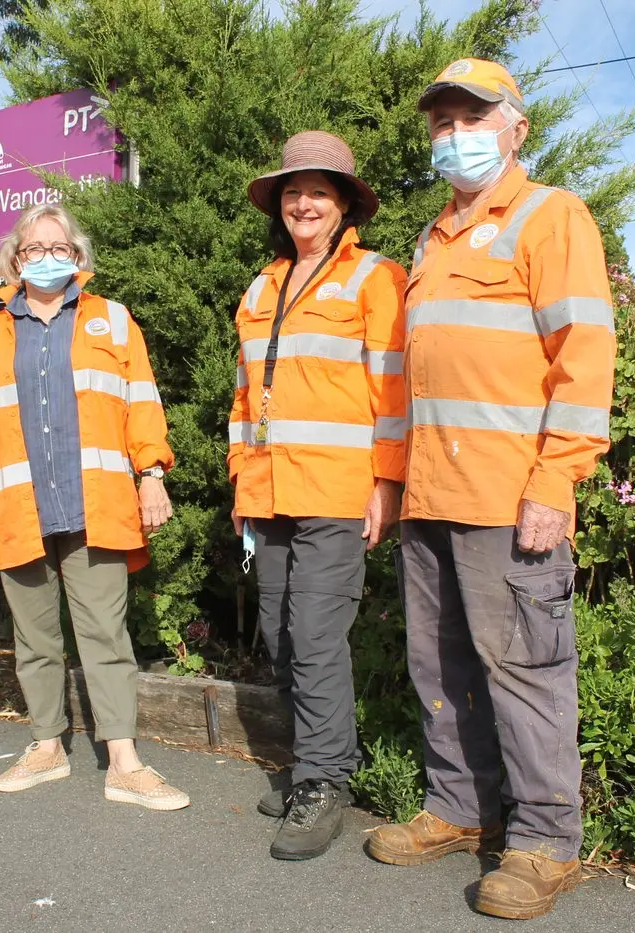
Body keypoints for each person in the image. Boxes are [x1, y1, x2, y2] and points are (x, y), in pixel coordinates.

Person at [363, 60, 616, 920]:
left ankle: (545, 842)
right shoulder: (432, 240)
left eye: (471, 115)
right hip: (434, 492)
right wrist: (391, 481)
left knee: (526, 671)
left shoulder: (550, 215)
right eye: (440, 120)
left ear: (517, 127)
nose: (453, 132)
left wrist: (555, 479)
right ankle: (458, 808)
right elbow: (408, 379)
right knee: (437, 662)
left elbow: (583, 357)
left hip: (510, 496)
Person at [0, 203, 189, 811]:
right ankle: (46, 747)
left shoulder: (113, 320)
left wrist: (152, 474)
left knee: (106, 634)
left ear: (78, 258)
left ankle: (125, 763)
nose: (46, 258)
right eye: (32, 250)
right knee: (32, 638)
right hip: (17, 508)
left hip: (98, 504)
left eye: (58, 247)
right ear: (13, 262)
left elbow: (142, 403)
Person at [230, 131, 408, 860]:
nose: (304, 203)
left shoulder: (373, 277)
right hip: (268, 488)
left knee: (313, 634)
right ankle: (319, 758)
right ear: (280, 205)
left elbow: (391, 391)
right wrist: (241, 479)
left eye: (319, 192)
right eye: (293, 193)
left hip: (337, 489)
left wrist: (388, 481)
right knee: (278, 631)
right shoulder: (262, 284)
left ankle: (324, 781)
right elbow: (245, 394)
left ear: (342, 206)